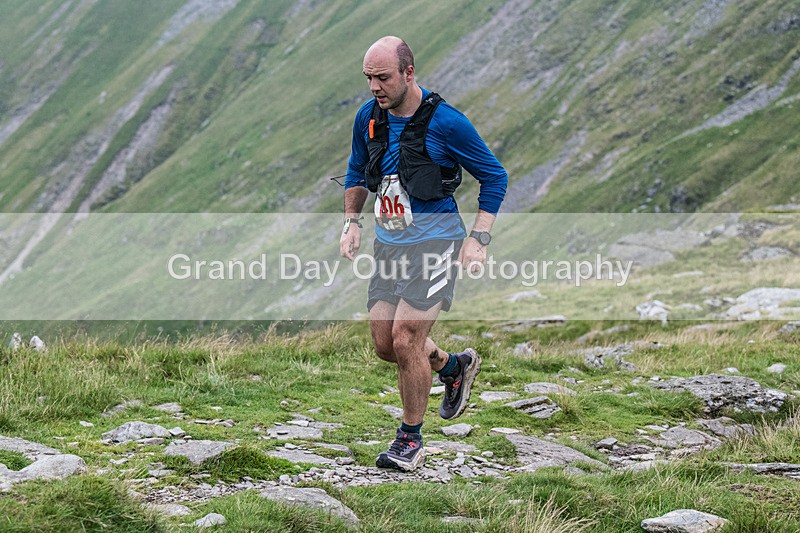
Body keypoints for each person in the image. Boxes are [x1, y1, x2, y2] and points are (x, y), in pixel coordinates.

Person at [340, 36, 507, 471]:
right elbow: (356, 170)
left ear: (408, 73)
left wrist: (479, 238)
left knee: (406, 338)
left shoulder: (447, 123)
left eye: (383, 77)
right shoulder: (368, 117)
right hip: (389, 244)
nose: (374, 87)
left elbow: (495, 177)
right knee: (385, 344)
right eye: (368, 78)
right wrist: (352, 222)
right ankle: (452, 367)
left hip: (437, 242)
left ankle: (409, 440)